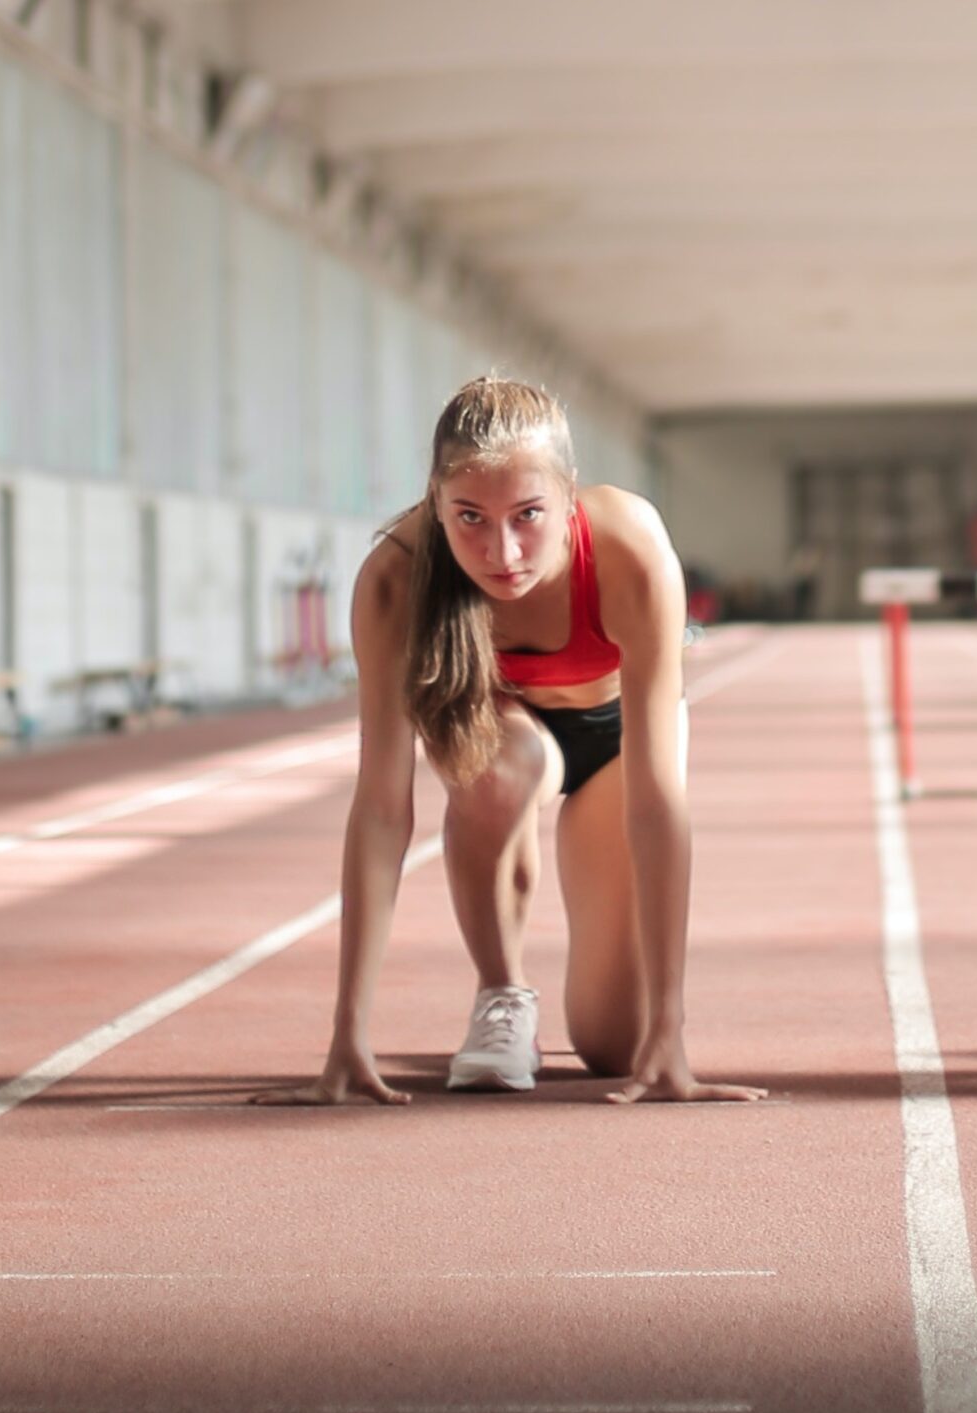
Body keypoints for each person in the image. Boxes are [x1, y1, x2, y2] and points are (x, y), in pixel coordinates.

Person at [257, 377, 764, 1107]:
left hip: (618, 744)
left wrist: (671, 1030)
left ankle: (637, 1026)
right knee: (501, 768)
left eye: (528, 516)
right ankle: (502, 995)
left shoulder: (629, 549)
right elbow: (380, 809)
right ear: (435, 501)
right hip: (504, 733)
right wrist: (347, 1035)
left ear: (569, 497)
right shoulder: (395, 581)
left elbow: (658, 804)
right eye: (470, 518)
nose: (502, 552)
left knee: (615, 1049)